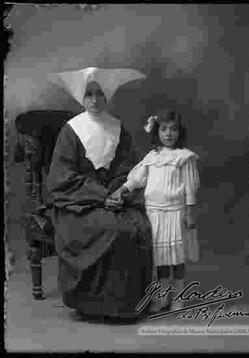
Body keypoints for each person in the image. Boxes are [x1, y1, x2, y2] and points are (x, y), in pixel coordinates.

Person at [47, 67, 153, 323]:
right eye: (89, 95)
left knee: (139, 226)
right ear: (81, 99)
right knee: (114, 230)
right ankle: (92, 304)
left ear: (108, 97)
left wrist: (120, 193)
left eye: (100, 94)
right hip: (78, 203)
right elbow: (62, 177)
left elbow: (129, 169)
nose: (94, 100)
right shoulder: (71, 131)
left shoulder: (117, 128)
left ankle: (128, 305)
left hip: (114, 198)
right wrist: (101, 196)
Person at [109, 110, 200, 313]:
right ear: (157, 131)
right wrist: (121, 190)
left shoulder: (184, 157)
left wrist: (190, 213)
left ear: (180, 132)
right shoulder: (152, 157)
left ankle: (178, 297)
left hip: (176, 213)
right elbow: (135, 179)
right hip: (154, 214)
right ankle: (161, 297)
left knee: (176, 258)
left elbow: (190, 188)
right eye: (164, 129)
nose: (168, 134)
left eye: (173, 129)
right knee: (160, 259)